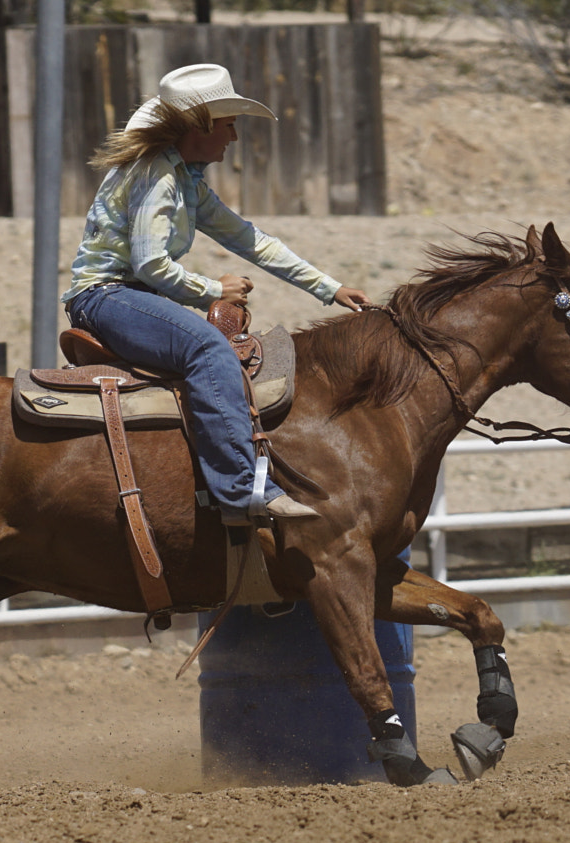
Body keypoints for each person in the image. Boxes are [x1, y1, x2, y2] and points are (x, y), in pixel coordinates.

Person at [62, 63, 371, 524]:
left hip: (125, 297)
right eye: (227, 124)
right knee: (208, 348)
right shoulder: (157, 176)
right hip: (104, 297)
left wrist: (329, 288)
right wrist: (213, 289)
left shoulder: (185, 180)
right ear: (199, 125)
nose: (233, 137)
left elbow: (251, 240)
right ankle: (242, 490)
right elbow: (150, 264)